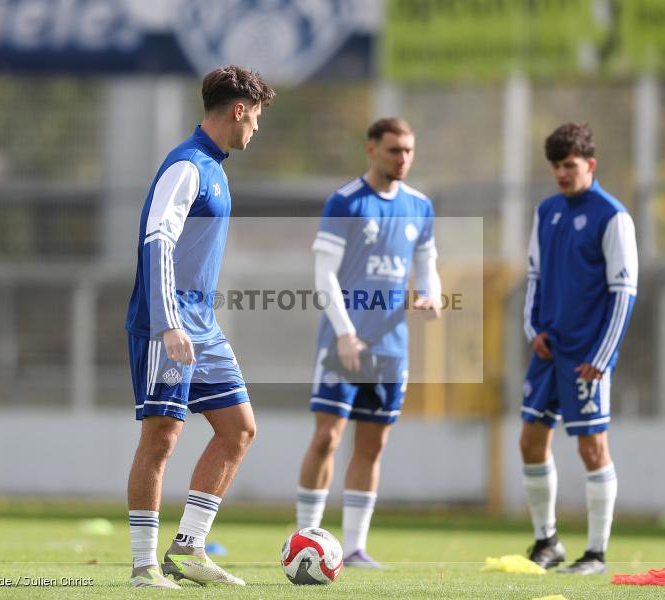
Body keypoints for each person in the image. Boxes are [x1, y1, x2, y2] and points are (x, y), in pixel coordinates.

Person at [124, 65, 274, 588]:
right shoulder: (186, 166)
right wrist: (168, 322)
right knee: (163, 436)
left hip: (201, 326)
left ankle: (188, 548)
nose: (255, 128)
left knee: (239, 429)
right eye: (254, 118)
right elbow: (157, 241)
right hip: (167, 323)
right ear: (238, 110)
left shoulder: (216, 167)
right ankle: (144, 566)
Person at [295, 117, 442, 568]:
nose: (403, 158)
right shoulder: (345, 202)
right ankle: (305, 539)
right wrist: (344, 333)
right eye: (394, 149)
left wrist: (431, 294)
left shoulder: (419, 207)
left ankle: (355, 546)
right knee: (327, 437)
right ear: (371, 150)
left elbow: (427, 263)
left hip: (390, 349)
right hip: (343, 344)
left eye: (409, 150)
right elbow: (324, 276)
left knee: (372, 444)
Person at [520, 123, 638, 575]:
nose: (561, 174)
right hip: (548, 349)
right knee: (530, 441)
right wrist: (534, 329)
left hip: (587, 356)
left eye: (569, 165)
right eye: (555, 166)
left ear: (590, 164)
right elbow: (532, 277)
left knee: (592, 447)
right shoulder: (546, 211)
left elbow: (624, 291)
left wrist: (604, 356)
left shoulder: (613, 216)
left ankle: (596, 553)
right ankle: (547, 541)